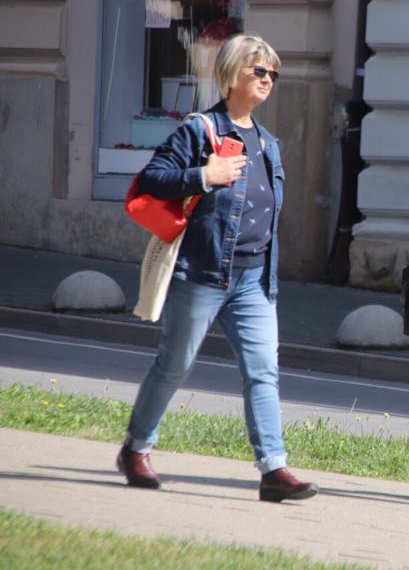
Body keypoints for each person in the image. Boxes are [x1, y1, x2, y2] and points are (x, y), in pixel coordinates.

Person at [116, 33, 320, 503]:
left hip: (255, 280)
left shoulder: (268, 143)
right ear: (231, 74)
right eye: (259, 70)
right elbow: (151, 179)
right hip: (204, 273)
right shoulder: (199, 131)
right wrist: (203, 176)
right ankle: (136, 448)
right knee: (175, 364)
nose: (268, 79)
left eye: (273, 73)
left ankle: (273, 469)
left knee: (263, 371)